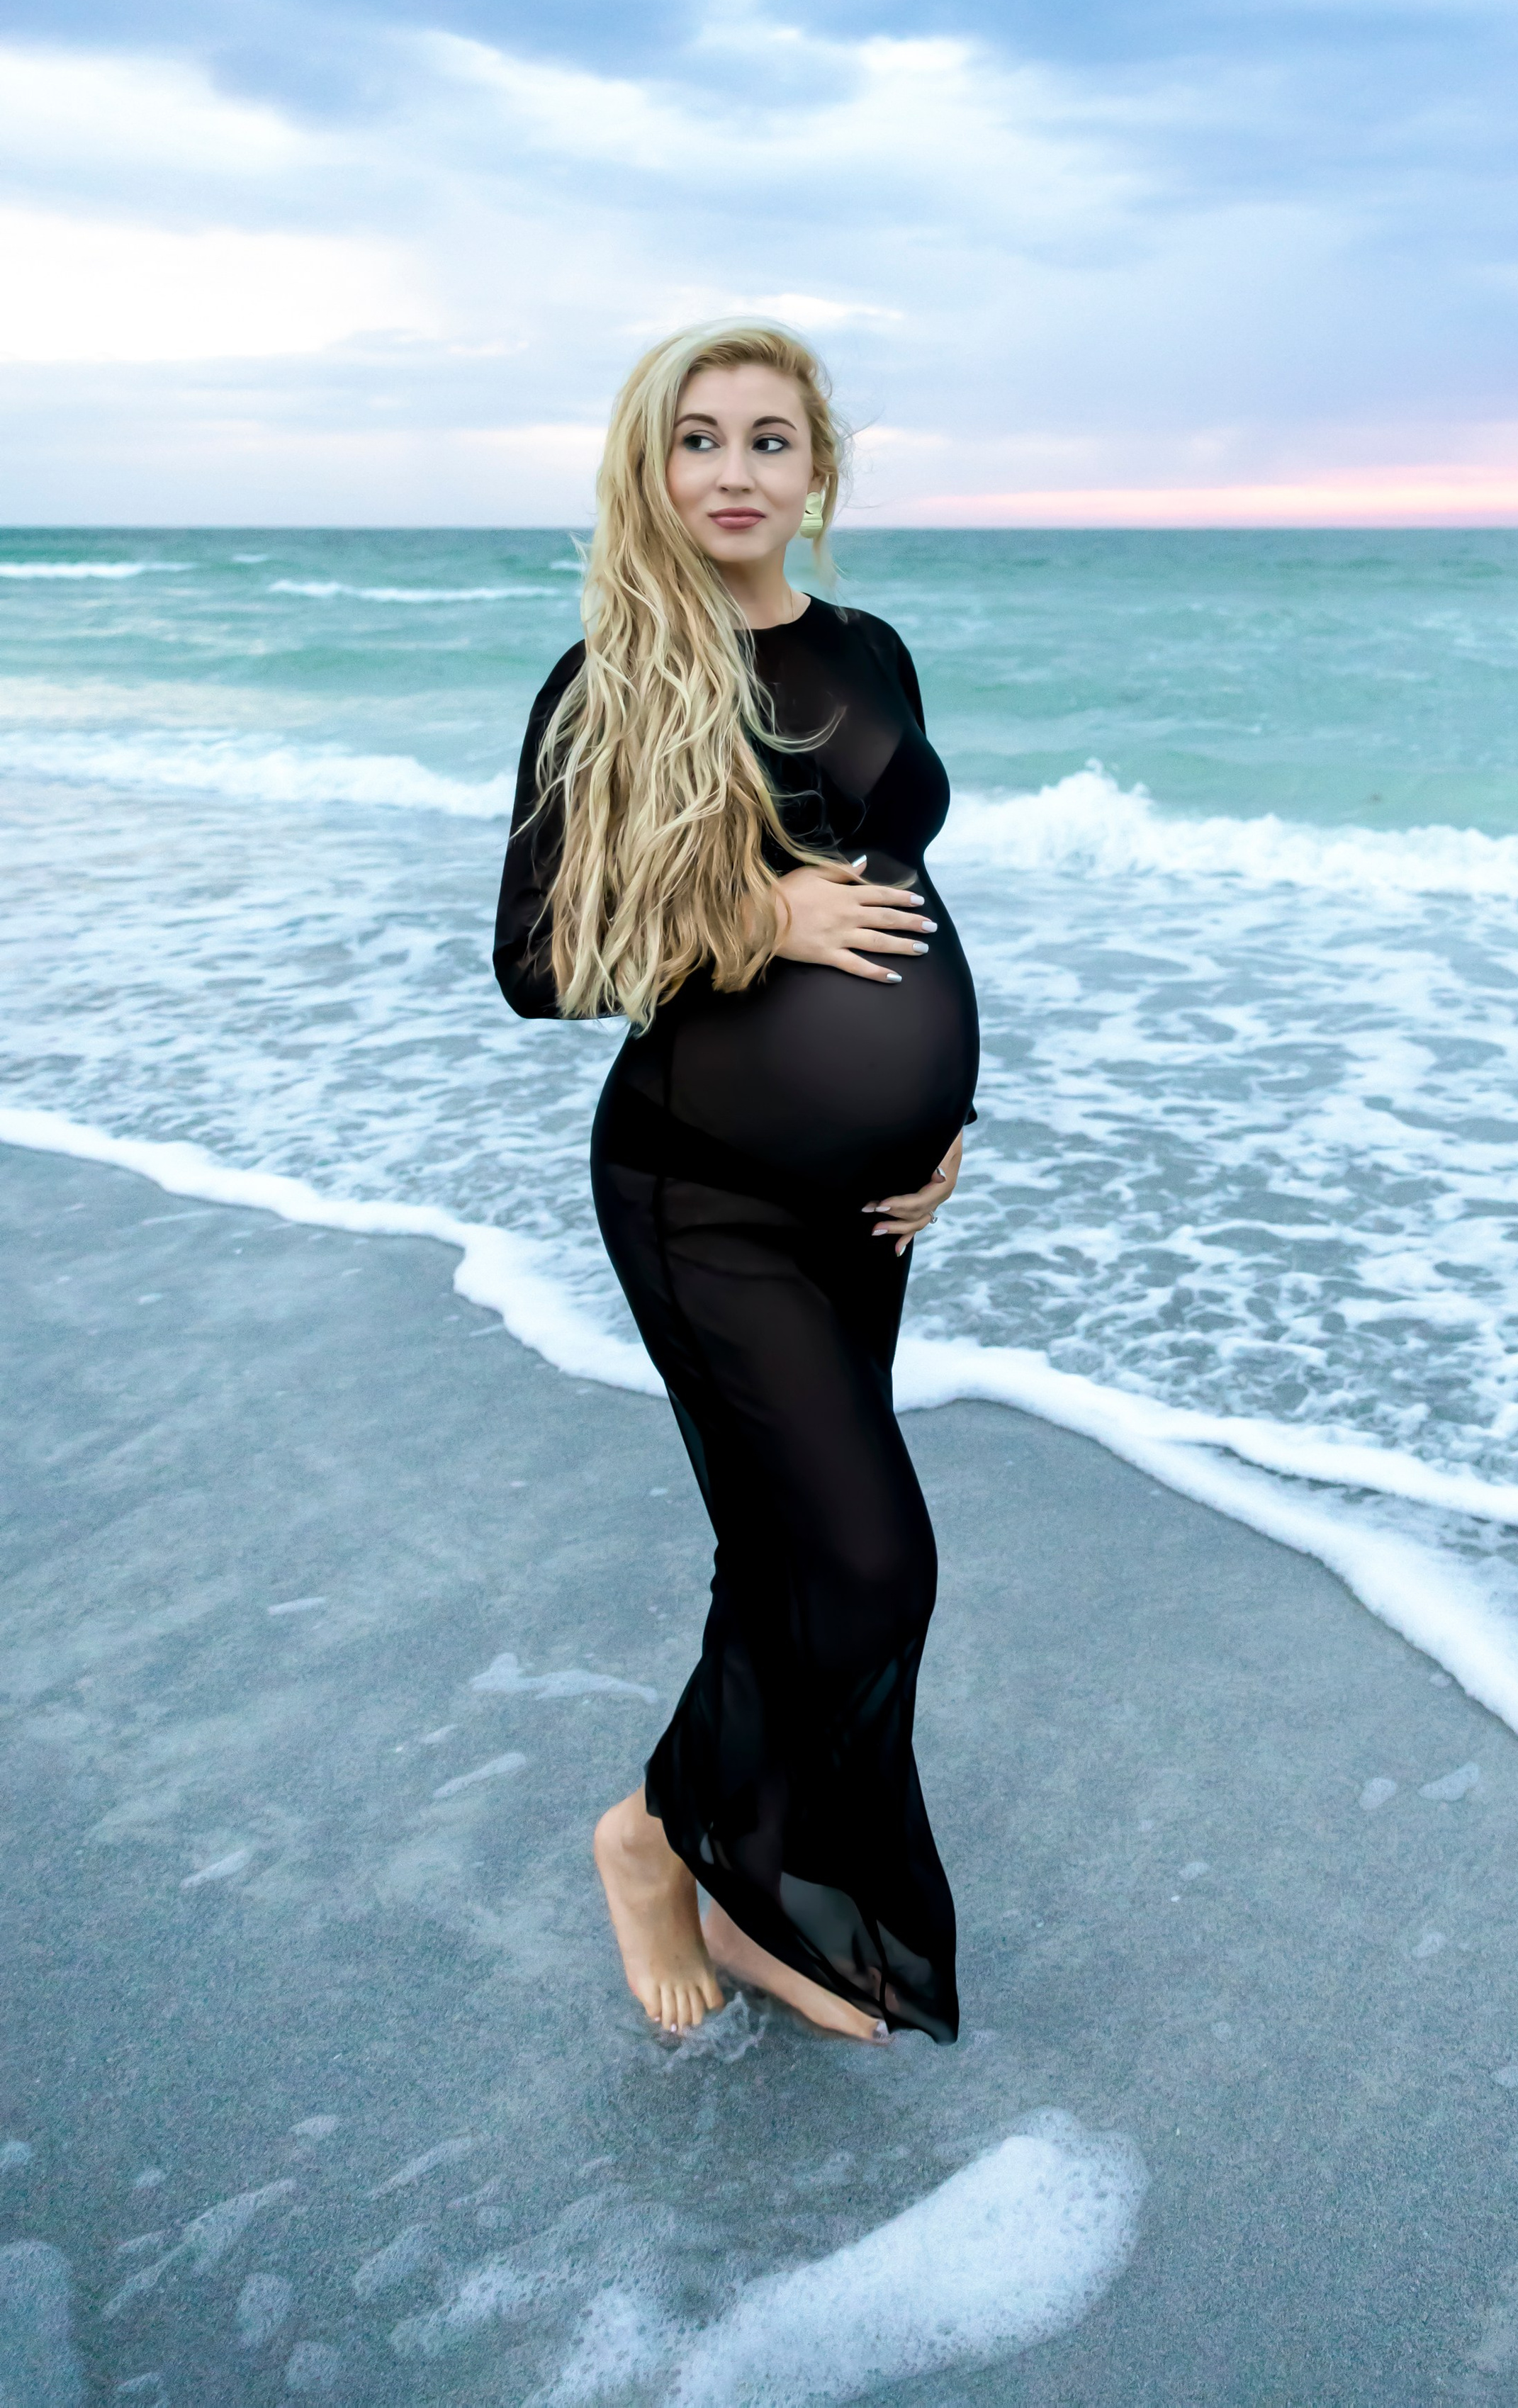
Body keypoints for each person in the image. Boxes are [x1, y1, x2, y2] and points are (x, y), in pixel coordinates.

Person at [493, 321, 977, 2045]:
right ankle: (650, 1834)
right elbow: (537, 963)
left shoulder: (868, 649)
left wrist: (938, 1126)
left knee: (778, 1554)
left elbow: (905, 891)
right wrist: (751, 915)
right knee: (866, 1564)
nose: (732, 472)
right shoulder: (613, 676)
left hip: (866, 1205)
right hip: (702, 1196)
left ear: (816, 470)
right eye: (697, 440)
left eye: (768, 440)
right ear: (651, 468)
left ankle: (751, 1878)